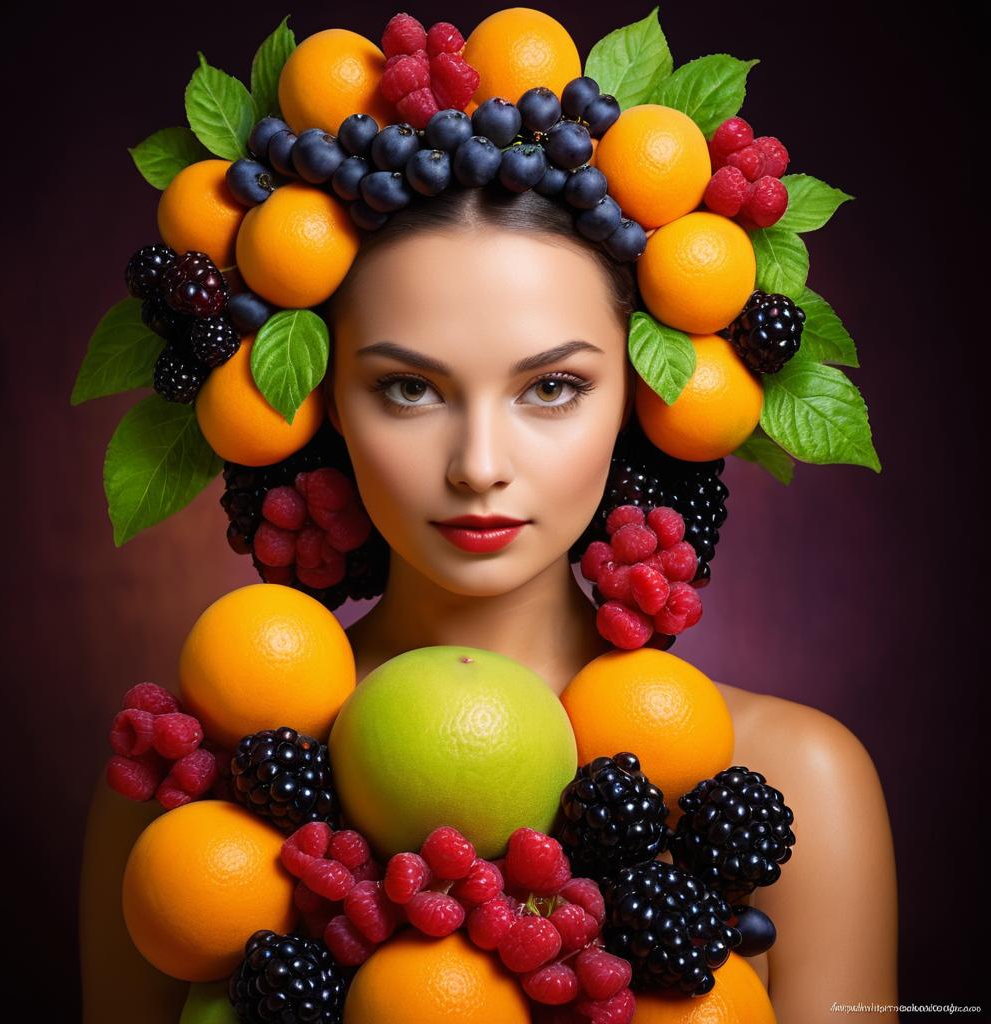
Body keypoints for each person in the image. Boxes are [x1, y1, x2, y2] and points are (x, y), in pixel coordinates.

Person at [81, 184, 899, 1022]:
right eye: (408, 388)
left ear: (639, 401)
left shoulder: (804, 774)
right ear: (324, 405)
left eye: (551, 387)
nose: (477, 465)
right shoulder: (187, 784)